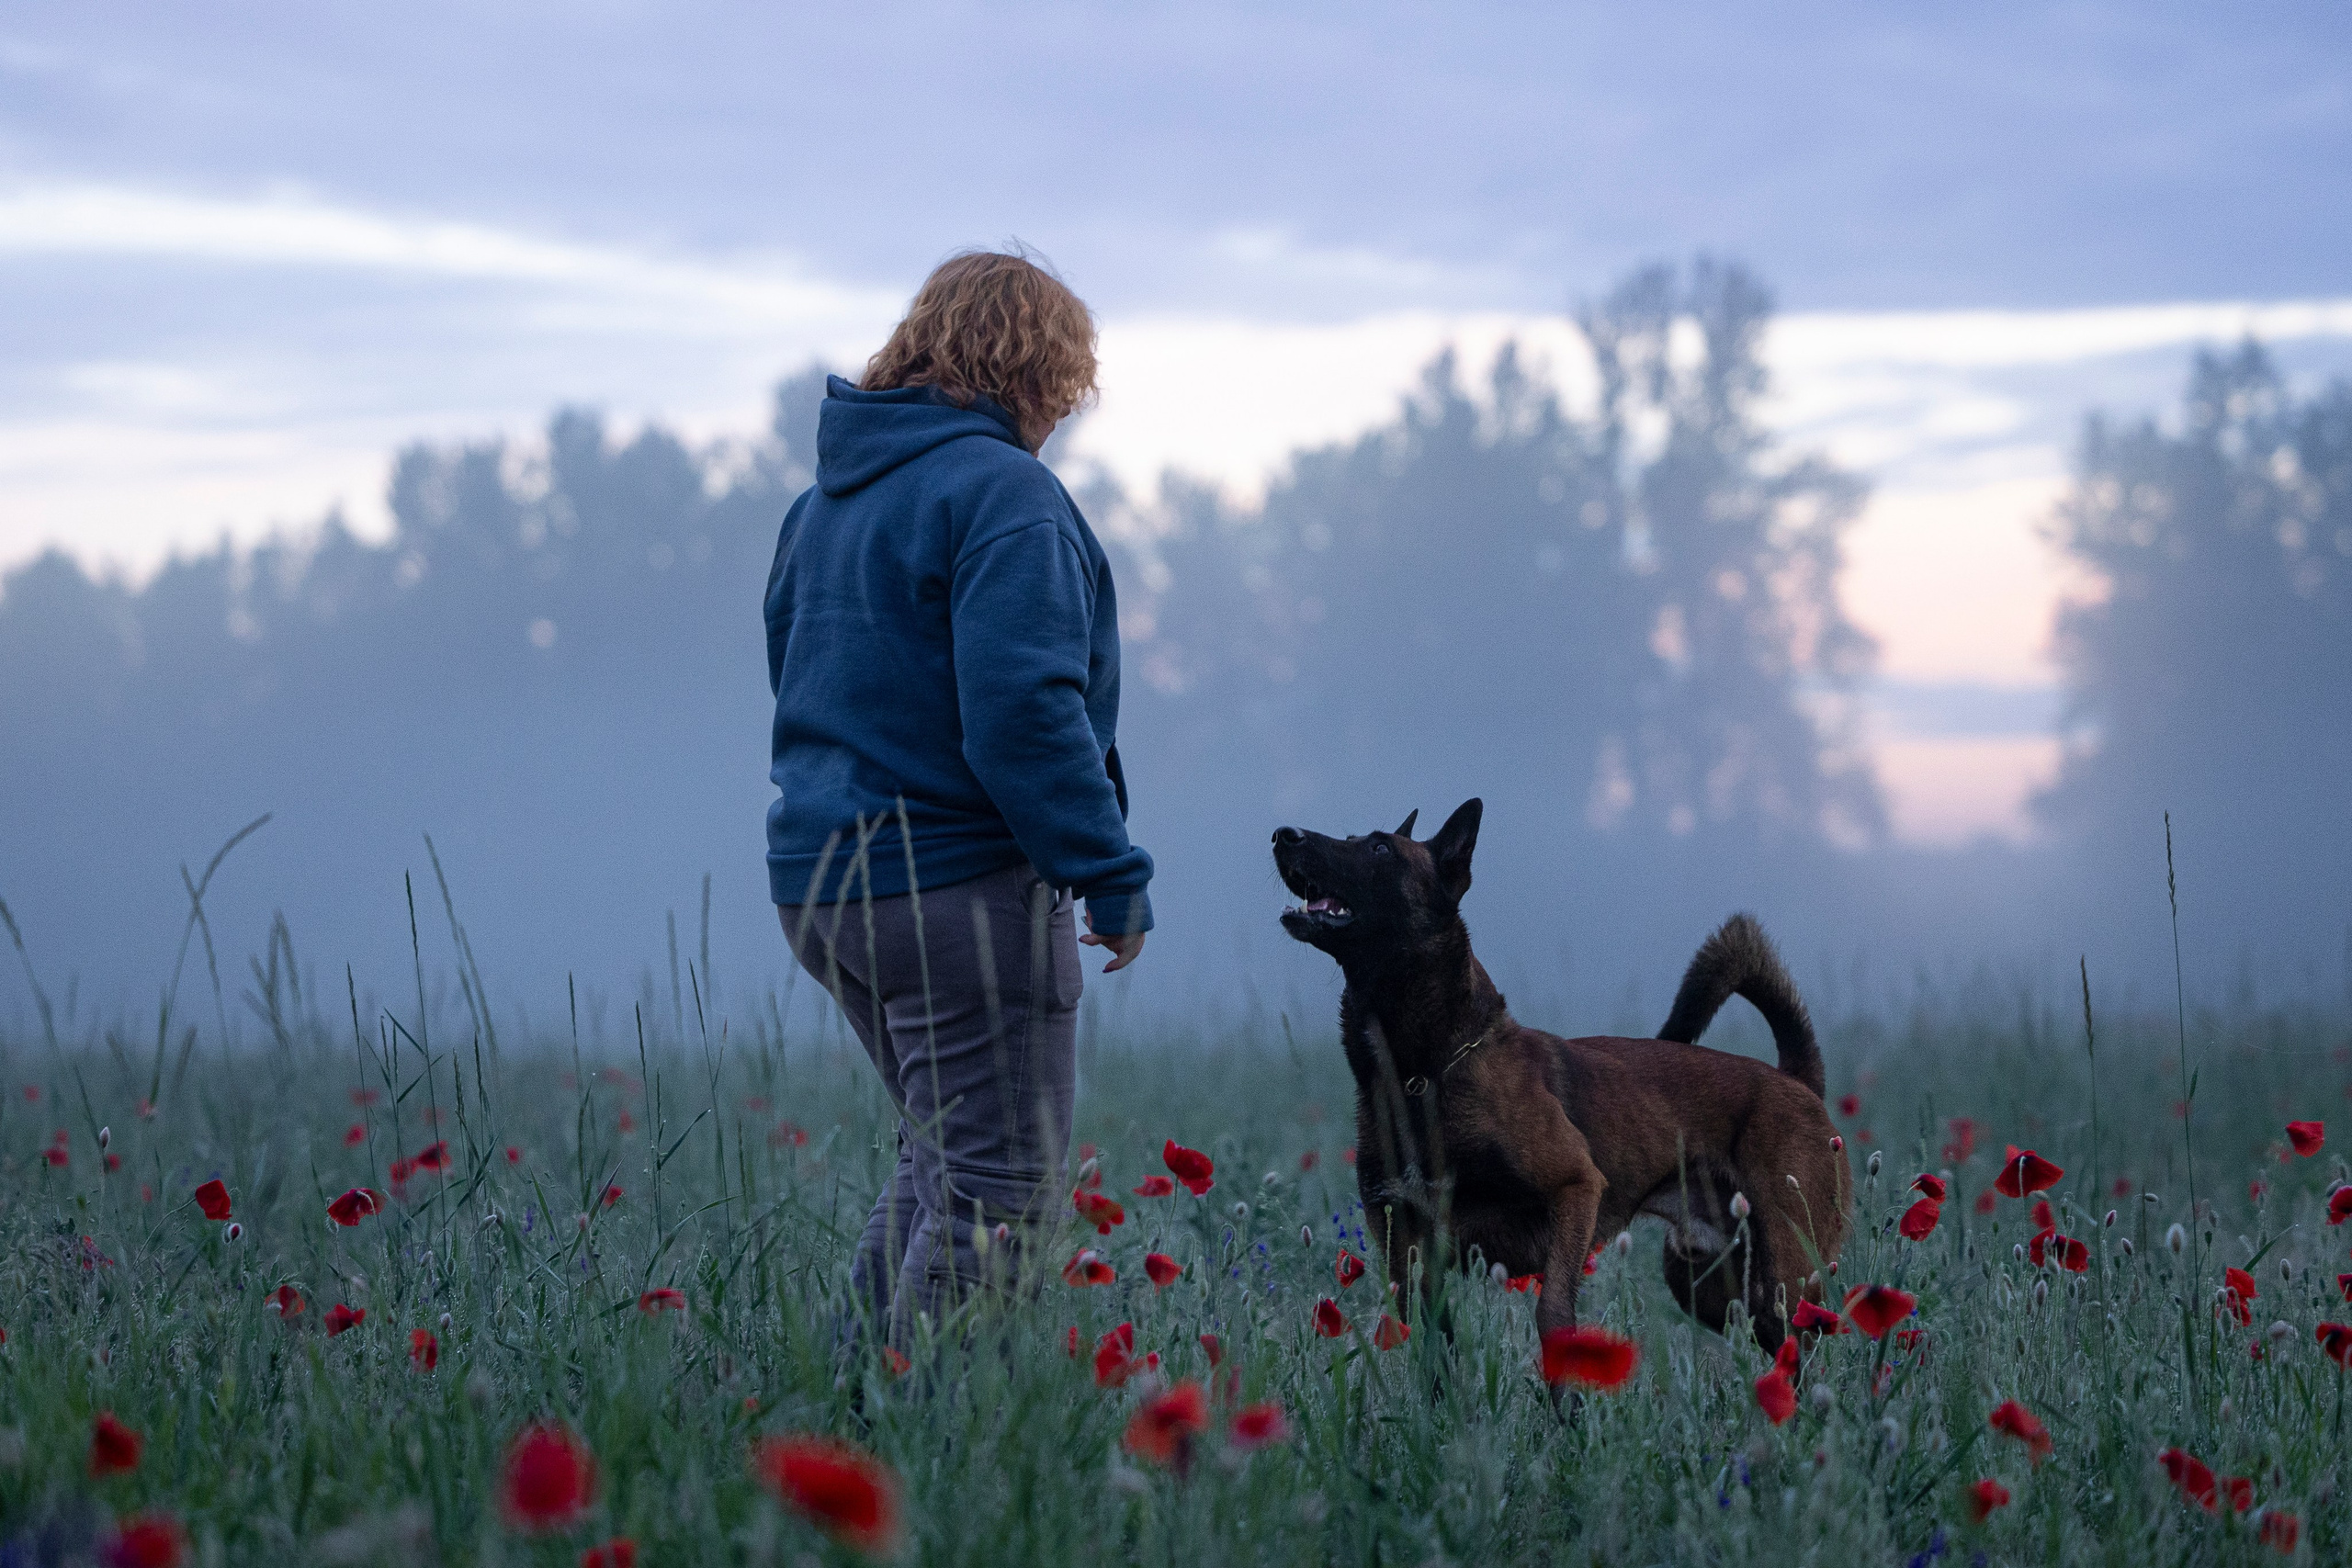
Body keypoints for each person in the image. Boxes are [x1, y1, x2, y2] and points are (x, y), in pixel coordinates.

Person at [763, 249, 1153, 1345]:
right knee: (1001, 1200)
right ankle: (926, 1458)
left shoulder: (822, 507)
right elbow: (1023, 713)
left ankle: (842, 1413)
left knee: (941, 1164)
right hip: (954, 890)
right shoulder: (1002, 495)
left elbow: (799, 676)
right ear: (1037, 371)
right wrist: (1107, 871)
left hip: (823, 887)